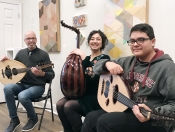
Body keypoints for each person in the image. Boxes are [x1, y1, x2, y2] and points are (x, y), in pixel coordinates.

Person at [81, 23, 175, 132]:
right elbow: (97, 67)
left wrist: (152, 112)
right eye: (132, 41)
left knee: (105, 122)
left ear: (153, 41)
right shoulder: (127, 61)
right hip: (127, 109)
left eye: (141, 40)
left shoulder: (167, 67)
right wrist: (106, 64)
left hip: (153, 120)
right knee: (90, 118)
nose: (135, 44)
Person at [56, 30, 110, 132]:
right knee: (59, 104)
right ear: (89, 41)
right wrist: (68, 62)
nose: (95, 41)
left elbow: (93, 76)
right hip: (82, 94)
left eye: (98, 39)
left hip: (96, 96)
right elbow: (75, 76)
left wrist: (83, 56)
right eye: (92, 39)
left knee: (68, 106)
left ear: (102, 43)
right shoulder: (85, 58)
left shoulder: (104, 58)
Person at [1, 31, 55, 132]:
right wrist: (6, 61)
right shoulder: (21, 53)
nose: (31, 40)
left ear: (36, 40)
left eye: (33, 38)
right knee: (7, 88)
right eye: (28, 38)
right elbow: (14, 67)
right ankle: (14, 119)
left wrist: (42, 74)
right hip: (23, 84)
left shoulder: (43, 55)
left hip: (38, 86)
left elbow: (51, 74)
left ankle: (33, 118)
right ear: (25, 41)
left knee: (22, 96)